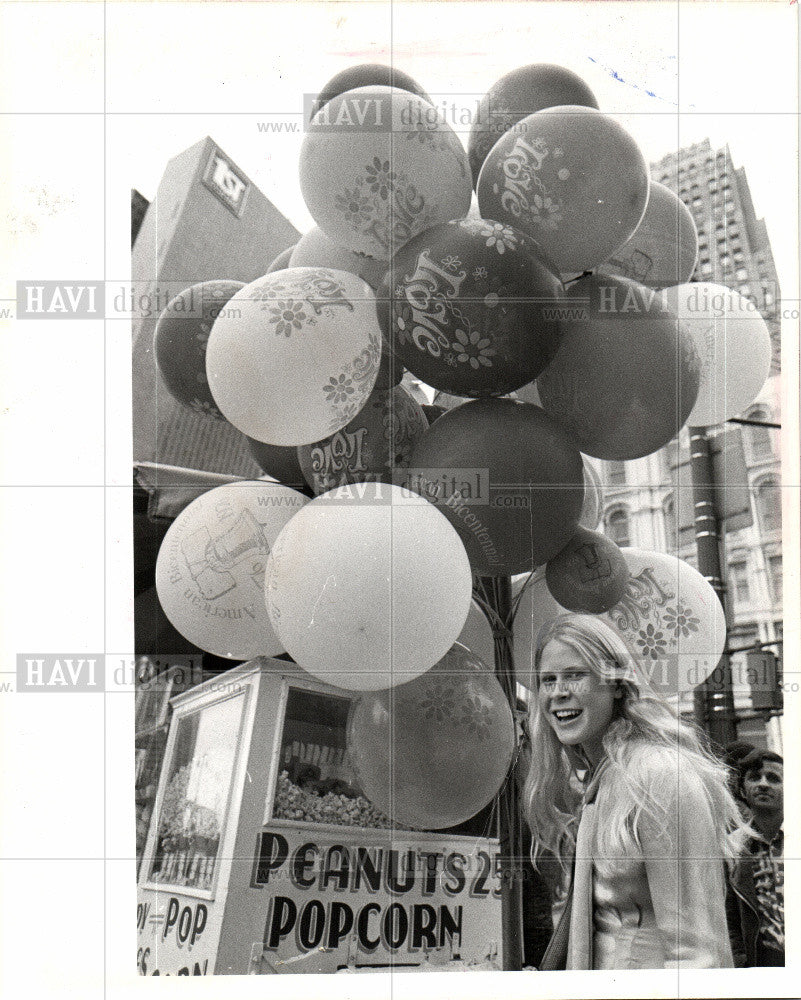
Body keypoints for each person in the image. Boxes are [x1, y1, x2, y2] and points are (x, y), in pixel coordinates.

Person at [521, 613, 747, 970]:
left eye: (575, 675)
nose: (559, 692)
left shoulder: (658, 774)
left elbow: (699, 950)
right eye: (548, 680)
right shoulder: (599, 780)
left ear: (615, 684)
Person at [726, 750, 784, 966]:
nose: (763, 784)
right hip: (762, 962)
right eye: (754, 778)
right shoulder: (732, 847)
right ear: (743, 789)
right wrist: (740, 961)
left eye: (773, 778)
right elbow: (729, 915)